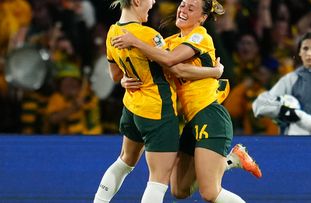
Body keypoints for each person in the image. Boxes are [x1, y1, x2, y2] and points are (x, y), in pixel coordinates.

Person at [111, 0, 262, 202]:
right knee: (179, 190)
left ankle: (231, 161)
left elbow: (174, 65)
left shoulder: (200, 36)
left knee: (210, 192)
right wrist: (124, 79)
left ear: (202, 18)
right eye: (183, 5)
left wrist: (136, 42)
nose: (183, 10)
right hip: (190, 121)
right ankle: (233, 159)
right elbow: (149, 68)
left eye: (191, 8)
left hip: (210, 115)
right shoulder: (171, 41)